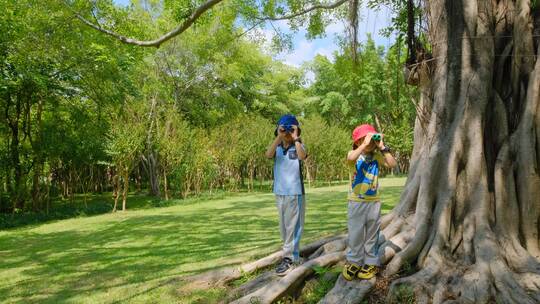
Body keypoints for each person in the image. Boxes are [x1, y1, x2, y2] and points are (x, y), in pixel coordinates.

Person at [342, 124, 397, 280]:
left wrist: (382, 146)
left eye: (372, 138)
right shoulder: (354, 154)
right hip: (356, 202)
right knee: (355, 233)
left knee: (372, 233)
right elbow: (350, 158)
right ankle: (354, 261)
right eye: (366, 138)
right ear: (358, 141)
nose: (370, 142)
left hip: (373, 202)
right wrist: (364, 145)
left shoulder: (377, 156)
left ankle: (370, 261)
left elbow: (392, 164)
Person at [265, 114, 308, 276]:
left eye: (291, 129)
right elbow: (268, 155)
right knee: (284, 227)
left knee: (293, 226)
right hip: (280, 192)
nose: (288, 132)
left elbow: (302, 156)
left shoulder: (299, 147)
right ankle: (288, 255)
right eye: (285, 129)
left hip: (295, 192)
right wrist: (279, 135)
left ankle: (291, 257)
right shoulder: (277, 148)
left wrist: (296, 138)